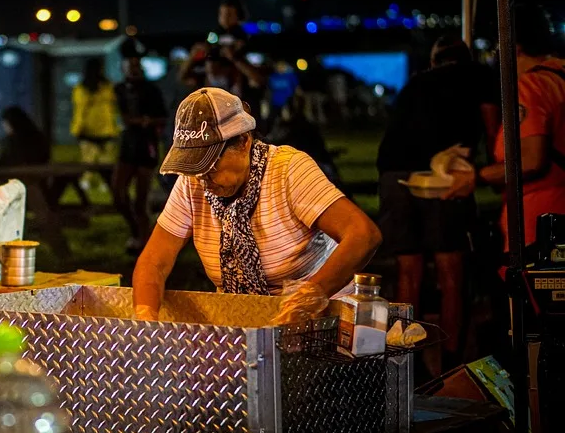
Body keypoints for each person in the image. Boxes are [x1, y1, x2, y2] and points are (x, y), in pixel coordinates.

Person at [133, 88, 382, 324]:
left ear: (243, 141)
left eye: (210, 166)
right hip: (242, 318)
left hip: (320, 320)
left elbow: (363, 235)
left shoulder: (288, 170)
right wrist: (145, 316)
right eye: (195, 167)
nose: (203, 179)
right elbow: (154, 262)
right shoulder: (193, 182)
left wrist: (312, 294)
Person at [377, 35, 499, 374]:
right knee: (451, 272)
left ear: (434, 61)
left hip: (394, 172)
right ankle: (451, 364)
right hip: (439, 175)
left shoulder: (418, 82)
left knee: (408, 269)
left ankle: (409, 365)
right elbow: (492, 132)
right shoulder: (479, 76)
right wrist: (491, 170)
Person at [445, 4, 565, 252]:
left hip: (542, 222)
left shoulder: (531, 86)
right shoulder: (559, 76)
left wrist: (476, 177)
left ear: (513, 47)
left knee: (534, 289)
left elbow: (531, 160)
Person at [113, 40, 168, 254]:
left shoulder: (151, 89)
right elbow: (122, 116)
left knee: (141, 198)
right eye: (129, 65)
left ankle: (144, 240)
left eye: (136, 65)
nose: (133, 69)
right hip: (127, 144)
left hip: (146, 145)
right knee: (118, 192)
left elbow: (161, 116)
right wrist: (135, 121)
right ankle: (137, 231)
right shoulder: (119, 89)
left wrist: (146, 121)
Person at [70, 57, 119, 191]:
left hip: (87, 129)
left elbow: (79, 110)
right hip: (107, 128)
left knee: (88, 158)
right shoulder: (108, 87)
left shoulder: (81, 88)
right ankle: (105, 182)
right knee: (107, 159)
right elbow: (113, 106)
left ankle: (86, 181)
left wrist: (76, 129)